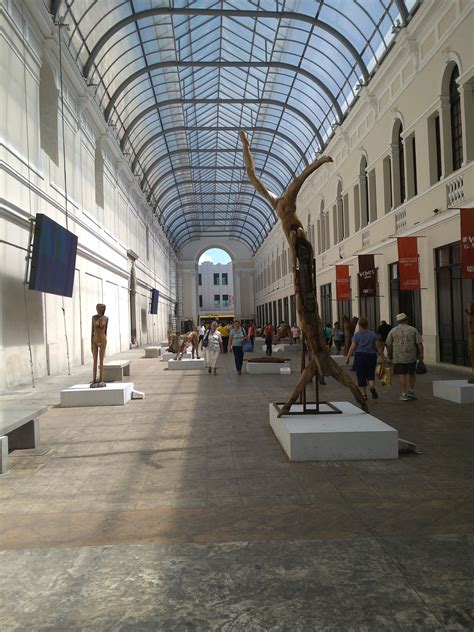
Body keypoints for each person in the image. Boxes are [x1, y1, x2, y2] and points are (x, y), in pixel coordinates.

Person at [385, 313, 424, 401]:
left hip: (398, 357)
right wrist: (421, 354)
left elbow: (388, 344)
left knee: (402, 374)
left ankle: (403, 393)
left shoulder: (393, 331)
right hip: (411, 356)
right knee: (412, 373)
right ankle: (411, 391)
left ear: (398, 321)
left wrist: (389, 354)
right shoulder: (413, 329)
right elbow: (419, 343)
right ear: (406, 320)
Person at [345, 316, 385, 401]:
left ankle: (364, 395)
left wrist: (348, 357)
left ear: (359, 325)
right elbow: (378, 347)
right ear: (367, 325)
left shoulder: (357, 335)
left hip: (360, 355)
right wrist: (383, 357)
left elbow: (352, 347)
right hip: (371, 355)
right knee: (370, 372)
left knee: (361, 374)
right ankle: (372, 387)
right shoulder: (373, 334)